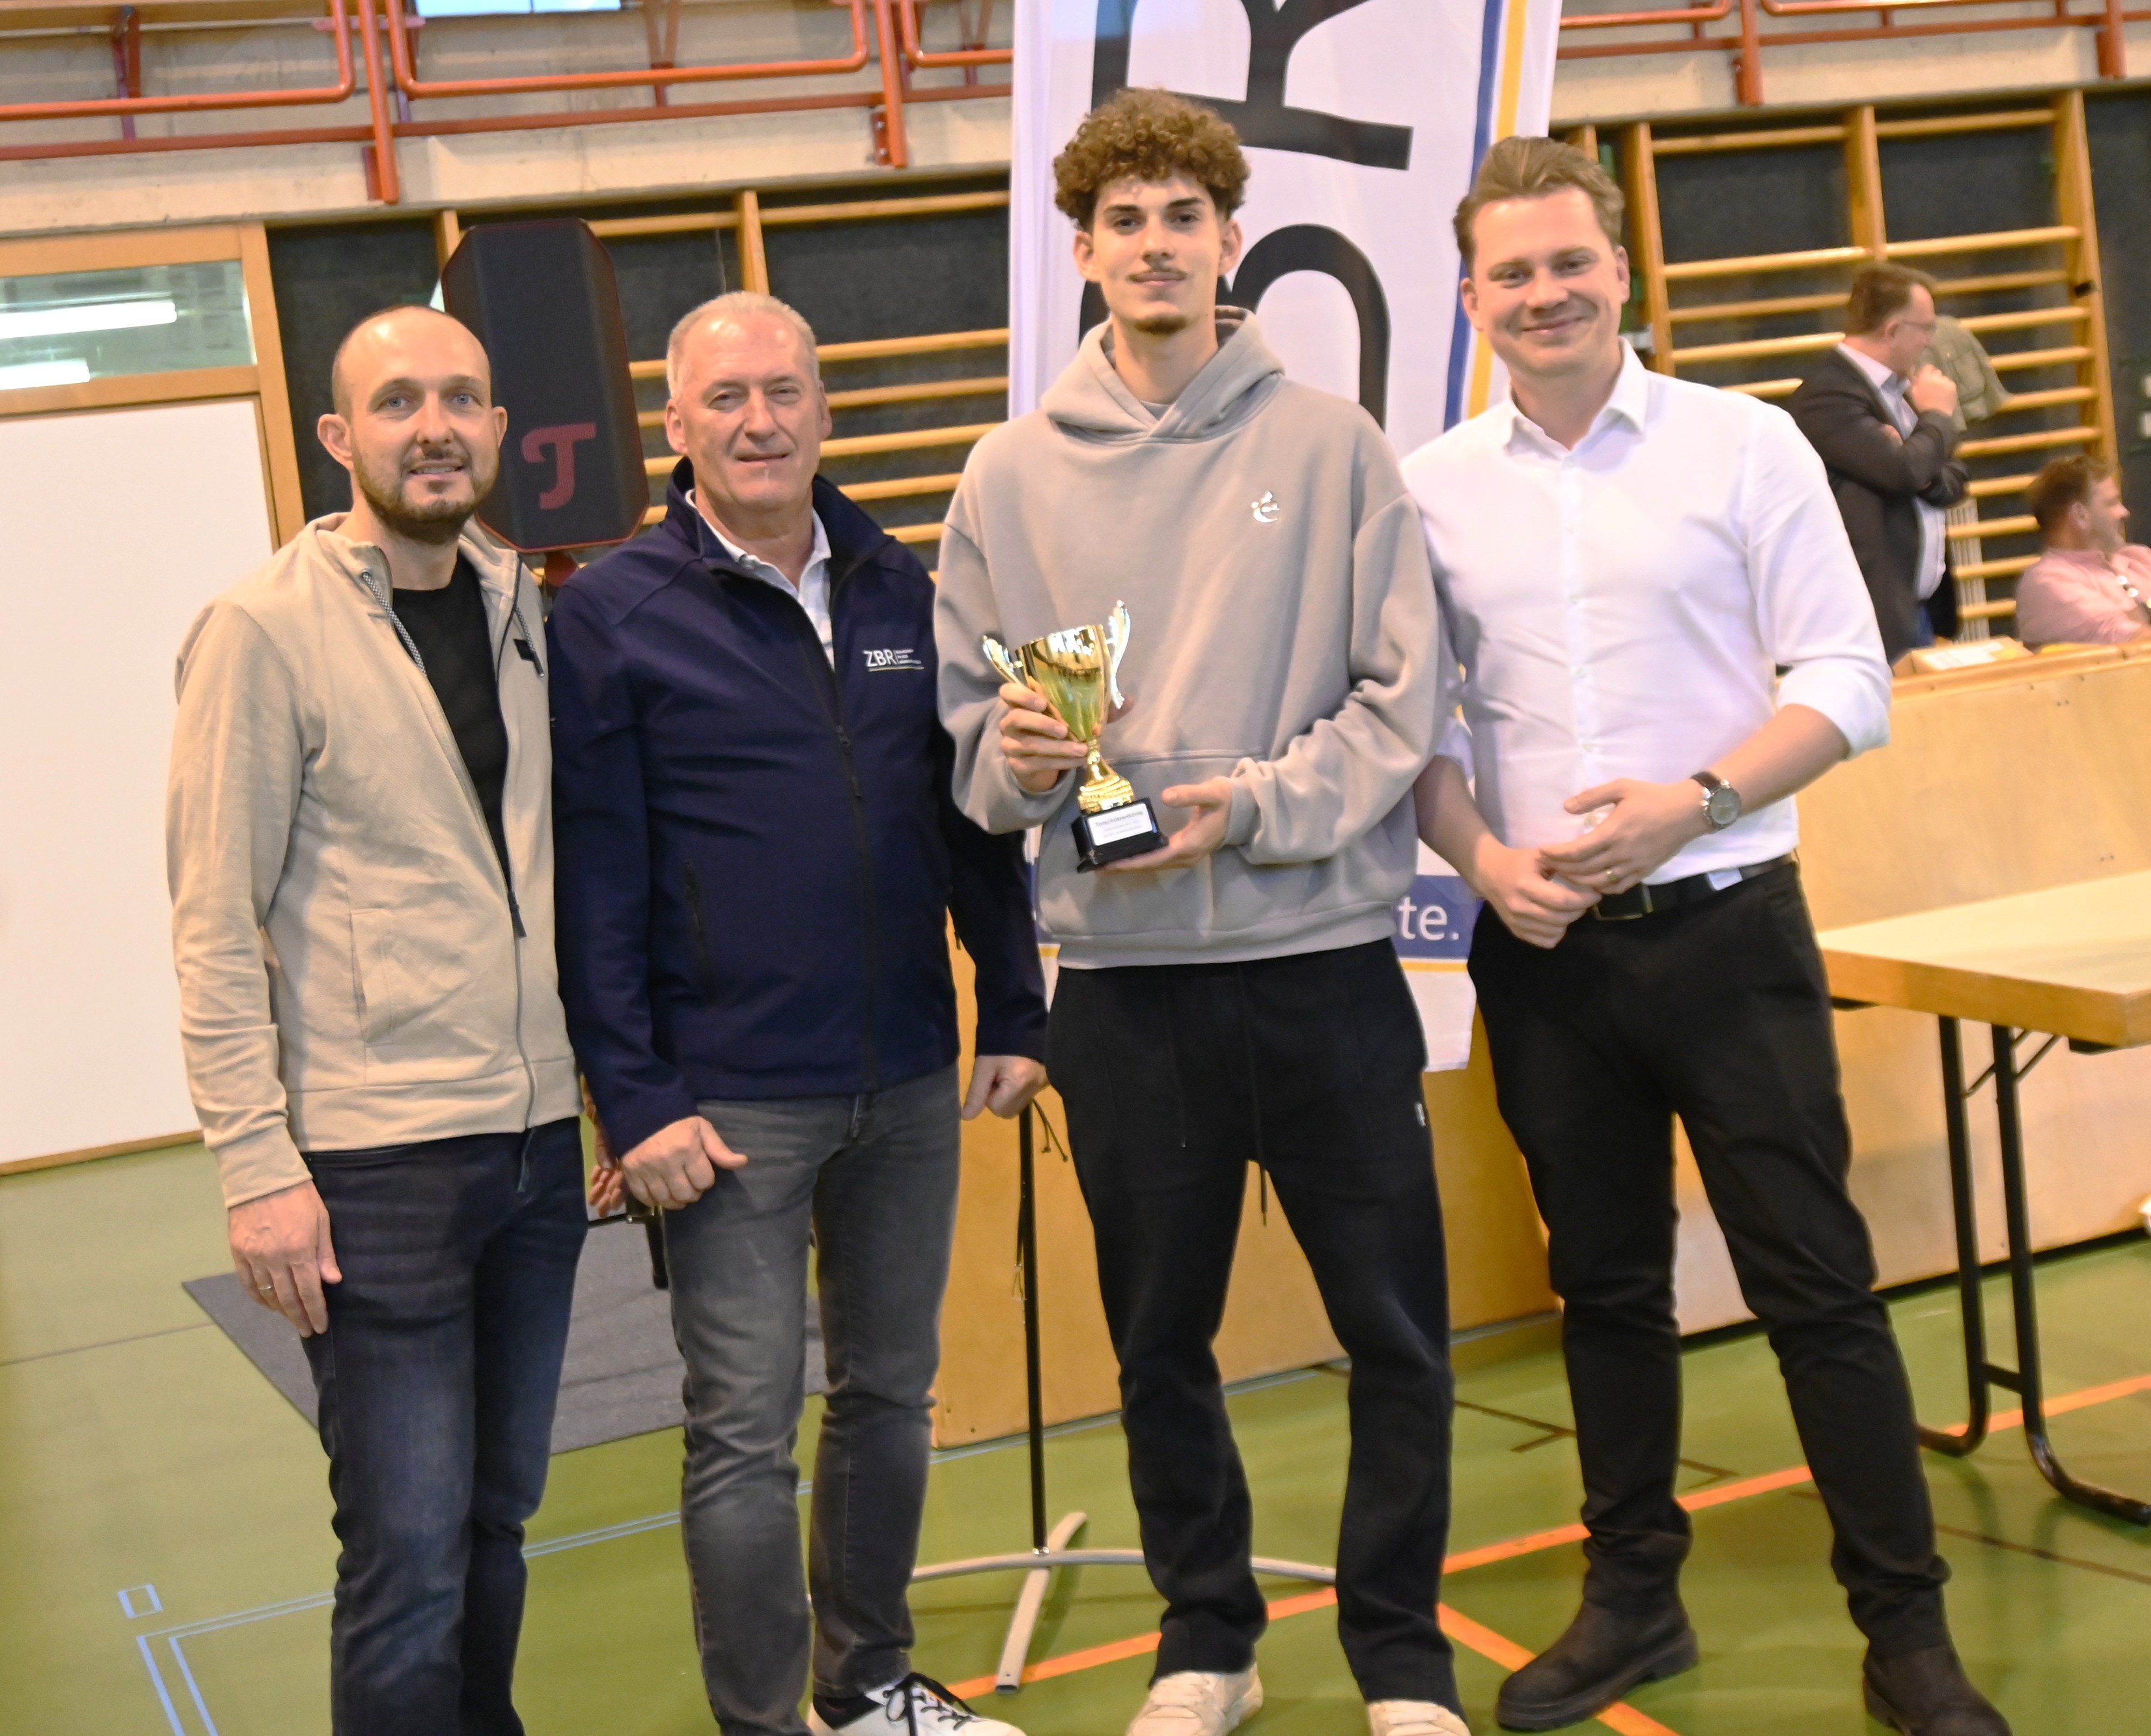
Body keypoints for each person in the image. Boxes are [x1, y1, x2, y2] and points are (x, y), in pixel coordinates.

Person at [1402, 137, 2010, 1736]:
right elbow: (1412, 731)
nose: (1543, 292)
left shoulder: (1743, 445)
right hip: (1542, 955)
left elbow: (1847, 681)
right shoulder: (1428, 487)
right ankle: (1632, 1602)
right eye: (1511, 271)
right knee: (1601, 1291)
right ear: (1469, 298)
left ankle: (1904, 1633)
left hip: (1728, 930)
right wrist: (1481, 861)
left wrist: (1693, 801)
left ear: (1618, 272)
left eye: (1568, 262)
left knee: (1814, 1284)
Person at [936, 89, 1461, 1736]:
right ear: (1082, 251)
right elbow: (971, 752)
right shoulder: (1007, 476)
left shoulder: (1333, 444)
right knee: (1159, 1343)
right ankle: (1205, 1643)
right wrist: (1020, 759)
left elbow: (1403, 700)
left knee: (1396, 1334)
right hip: (1126, 986)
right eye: (1126, 221)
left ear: (1231, 240)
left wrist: (1260, 805)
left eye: (1183, 216)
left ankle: (1401, 1658)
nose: (1156, 246)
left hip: (1324, 968)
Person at [549, 290, 1048, 1736]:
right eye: (726, 397)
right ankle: (762, 1722)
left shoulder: (902, 585)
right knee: (742, 1432)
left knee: (890, 1394)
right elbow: (594, 879)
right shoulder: (614, 613)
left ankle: (865, 1684)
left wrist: (1013, 1004)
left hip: (905, 1079)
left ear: (824, 409)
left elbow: (969, 821)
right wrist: (634, 1098)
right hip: (728, 1106)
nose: (759, 421)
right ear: (676, 423)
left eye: (783, 391)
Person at [167, 305, 584, 1734]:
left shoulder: (528, 605)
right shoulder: (262, 630)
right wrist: (255, 1163)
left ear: (498, 429)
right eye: (398, 401)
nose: (435, 426)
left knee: (497, 1517)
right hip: (373, 1165)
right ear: (339, 436)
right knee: (408, 1552)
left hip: (534, 1146)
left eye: (462, 398)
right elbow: (213, 919)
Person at [1788, 262, 1971, 662]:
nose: (1929, 341)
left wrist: (1920, 468)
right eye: (1925, 328)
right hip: (1871, 618)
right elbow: (1904, 470)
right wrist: (1936, 418)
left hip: (1919, 608)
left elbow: (1954, 476)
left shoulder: (1900, 390)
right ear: (1893, 330)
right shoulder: (1829, 396)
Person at [2013, 454, 2151, 646]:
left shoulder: (2139, 558)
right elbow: (2134, 642)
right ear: (2080, 515)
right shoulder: (2048, 583)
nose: (2124, 512)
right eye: (2112, 503)